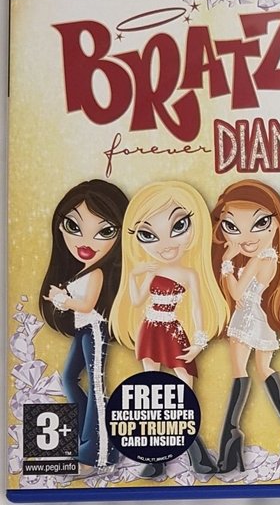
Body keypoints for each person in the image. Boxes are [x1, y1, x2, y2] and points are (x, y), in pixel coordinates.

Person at [109, 180, 229, 477]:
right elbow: (137, 300)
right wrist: (135, 275)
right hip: (149, 329)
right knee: (154, 392)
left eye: (178, 227)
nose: (166, 244)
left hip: (173, 331)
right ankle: (156, 457)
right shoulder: (151, 270)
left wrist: (199, 341)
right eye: (148, 234)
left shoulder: (189, 273)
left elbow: (198, 308)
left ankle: (196, 453)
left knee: (184, 389)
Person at [212, 180, 280, 473]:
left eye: (259, 223)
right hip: (261, 319)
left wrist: (227, 263)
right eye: (232, 226)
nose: (245, 237)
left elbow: (238, 293)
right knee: (264, 369)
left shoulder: (259, 258)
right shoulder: (272, 257)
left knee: (239, 373)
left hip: (247, 316)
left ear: (277, 223)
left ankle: (231, 438)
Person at [40, 179, 128, 472]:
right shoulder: (82, 270)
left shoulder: (97, 273)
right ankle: (89, 437)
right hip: (83, 330)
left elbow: (88, 304)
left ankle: (96, 453)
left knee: (96, 385)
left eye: (105, 231)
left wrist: (64, 300)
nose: (86, 242)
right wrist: (61, 298)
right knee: (68, 378)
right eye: (73, 226)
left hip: (95, 330)